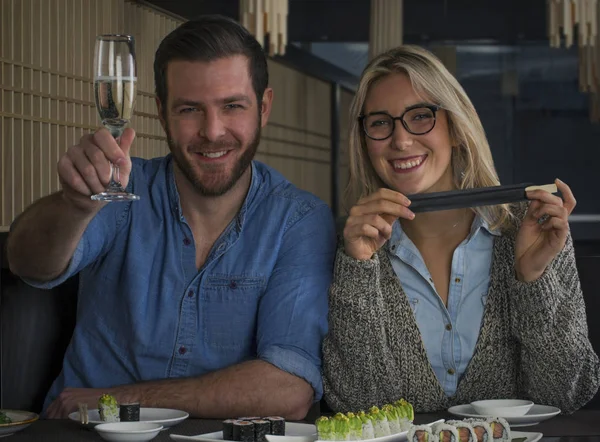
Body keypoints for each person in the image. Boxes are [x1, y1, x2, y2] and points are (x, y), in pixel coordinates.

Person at [6, 15, 336, 420]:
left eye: (232, 106)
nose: (212, 131)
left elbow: (288, 390)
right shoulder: (124, 189)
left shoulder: (298, 220)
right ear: (161, 112)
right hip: (80, 434)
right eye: (190, 109)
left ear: (263, 107)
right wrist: (75, 205)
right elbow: (27, 264)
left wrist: (119, 400)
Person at [322, 45, 600, 414]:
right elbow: (356, 406)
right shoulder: (353, 249)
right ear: (364, 140)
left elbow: (568, 394)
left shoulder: (533, 230)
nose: (401, 140)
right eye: (379, 123)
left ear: (455, 127)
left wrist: (532, 280)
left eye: (420, 116)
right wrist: (358, 267)